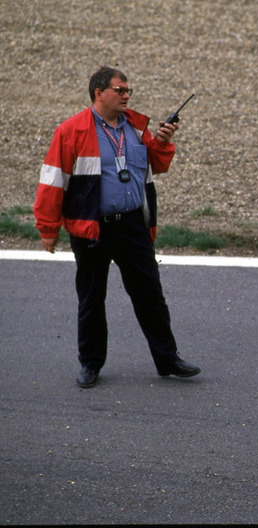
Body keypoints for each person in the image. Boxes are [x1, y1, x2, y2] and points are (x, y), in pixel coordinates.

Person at [33, 66, 200, 388]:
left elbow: (157, 165)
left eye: (128, 91)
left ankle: (168, 360)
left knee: (151, 295)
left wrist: (162, 142)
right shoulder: (71, 130)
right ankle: (90, 364)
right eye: (120, 90)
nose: (127, 95)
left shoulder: (137, 129)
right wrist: (48, 228)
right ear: (99, 93)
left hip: (133, 225)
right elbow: (52, 180)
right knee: (92, 299)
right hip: (91, 229)